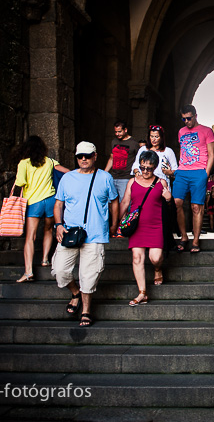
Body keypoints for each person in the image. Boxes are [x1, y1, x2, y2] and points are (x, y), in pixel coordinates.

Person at [52, 141, 119, 327]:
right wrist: (58, 224)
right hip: (70, 232)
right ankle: (75, 293)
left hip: (95, 233)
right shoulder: (67, 178)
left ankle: (86, 310)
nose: (83, 159)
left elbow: (114, 201)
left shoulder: (105, 177)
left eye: (87, 156)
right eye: (80, 156)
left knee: (89, 274)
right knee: (60, 270)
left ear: (95, 156)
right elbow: (58, 203)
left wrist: (114, 224)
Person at [13, 136, 70, 282]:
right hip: (51, 200)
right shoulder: (50, 161)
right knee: (48, 229)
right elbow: (68, 172)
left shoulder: (24, 163)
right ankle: (45, 259)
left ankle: (28, 271)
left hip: (34, 202)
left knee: (30, 236)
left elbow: (20, 182)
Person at [120, 150, 172, 306]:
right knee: (137, 257)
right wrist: (115, 223)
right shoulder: (132, 182)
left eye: (149, 168)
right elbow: (124, 203)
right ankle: (142, 293)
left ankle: (157, 269)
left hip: (156, 225)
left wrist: (169, 199)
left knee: (155, 258)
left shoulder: (161, 182)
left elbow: (170, 209)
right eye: (143, 167)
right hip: (137, 226)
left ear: (155, 167)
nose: (145, 171)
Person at [172, 104, 214, 253]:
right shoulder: (181, 131)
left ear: (195, 116)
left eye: (189, 118)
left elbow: (211, 154)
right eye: (183, 119)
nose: (186, 122)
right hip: (182, 171)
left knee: (196, 207)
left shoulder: (207, 131)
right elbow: (182, 151)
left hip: (199, 172)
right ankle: (184, 237)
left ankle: (195, 240)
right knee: (177, 202)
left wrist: (206, 173)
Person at [131, 124, 179, 188]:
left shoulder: (168, 151)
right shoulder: (143, 149)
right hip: (144, 183)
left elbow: (175, 169)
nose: (153, 139)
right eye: (151, 136)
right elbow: (136, 164)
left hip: (162, 183)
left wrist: (169, 172)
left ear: (161, 137)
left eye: (156, 136)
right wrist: (137, 172)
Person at [104, 120, 139, 202]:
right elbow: (112, 158)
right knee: (110, 202)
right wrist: (104, 173)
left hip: (126, 178)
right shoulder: (114, 141)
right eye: (115, 132)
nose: (117, 134)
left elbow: (138, 161)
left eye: (119, 132)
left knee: (124, 202)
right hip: (113, 177)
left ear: (125, 130)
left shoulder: (133, 143)